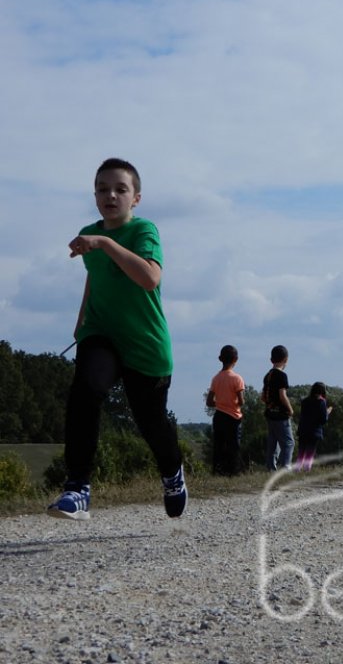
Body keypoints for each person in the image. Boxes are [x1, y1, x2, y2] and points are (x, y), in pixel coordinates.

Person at [47, 158, 186, 521]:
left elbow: (150, 278)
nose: (111, 195)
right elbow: (96, 279)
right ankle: (78, 488)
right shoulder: (90, 233)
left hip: (145, 344)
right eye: (103, 188)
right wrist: (80, 324)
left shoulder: (144, 231)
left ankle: (172, 474)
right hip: (101, 333)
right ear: (94, 195)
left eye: (120, 189)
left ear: (135, 198)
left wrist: (105, 243)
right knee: (86, 390)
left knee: (151, 423)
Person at [207, 344, 245, 476]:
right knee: (233, 446)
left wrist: (220, 403)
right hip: (233, 417)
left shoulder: (216, 378)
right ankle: (233, 471)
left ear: (220, 359)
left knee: (219, 445)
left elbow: (209, 401)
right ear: (236, 359)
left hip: (219, 416)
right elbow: (241, 401)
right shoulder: (237, 379)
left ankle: (218, 471)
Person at [262, 345, 294, 470]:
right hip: (281, 414)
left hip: (270, 413)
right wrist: (290, 409)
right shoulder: (282, 375)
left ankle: (270, 467)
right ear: (286, 360)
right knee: (288, 443)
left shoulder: (267, 376)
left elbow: (263, 397)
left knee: (273, 443)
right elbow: (282, 395)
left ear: (271, 360)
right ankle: (285, 467)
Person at [296, 381, 333, 472]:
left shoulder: (305, 401)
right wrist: (328, 412)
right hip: (314, 431)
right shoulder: (321, 402)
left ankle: (297, 468)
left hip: (303, 429)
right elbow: (323, 419)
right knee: (310, 452)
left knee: (301, 450)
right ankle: (307, 469)